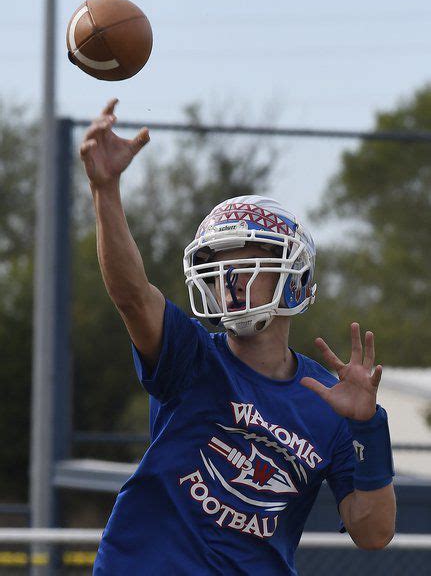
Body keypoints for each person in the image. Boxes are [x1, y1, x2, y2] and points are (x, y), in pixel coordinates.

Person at [82, 99, 396, 576]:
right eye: (218, 269)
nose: (229, 282)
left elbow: (373, 534)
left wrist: (368, 427)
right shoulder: (190, 357)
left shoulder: (329, 402)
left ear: (294, 278)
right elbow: (131, 294)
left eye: (248, 266)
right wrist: (105, 190)